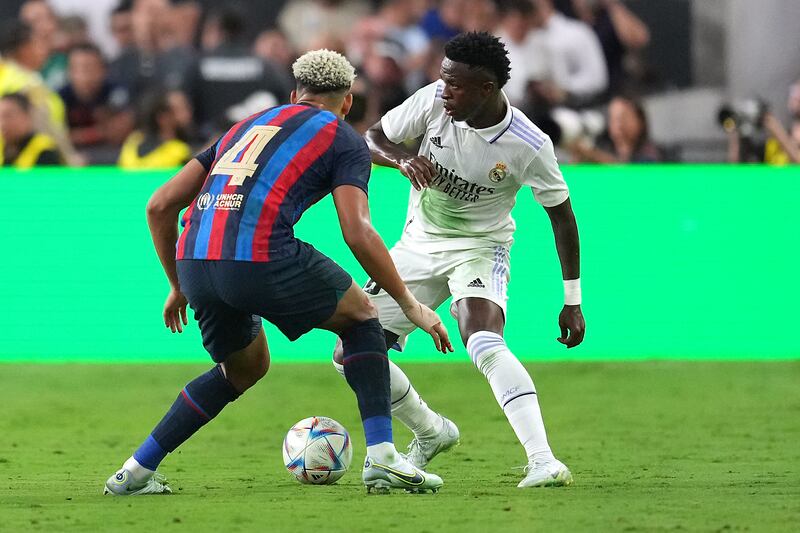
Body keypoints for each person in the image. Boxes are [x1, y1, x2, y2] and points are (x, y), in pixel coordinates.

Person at [103, 49, 452, 496]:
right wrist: (409, 303)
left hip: (195, 261)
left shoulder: (244, 126)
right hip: (259, 254)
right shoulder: (343, 137)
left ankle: (134, 472)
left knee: (244, 369)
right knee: (363, 317)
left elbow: (159, 205)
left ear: (294, 95)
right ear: (347, 102)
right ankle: (383, 456)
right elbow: (358, 231)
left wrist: (177, 284)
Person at [332, 31, 584, 488]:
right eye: (443, 80)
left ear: (486, 89)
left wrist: (572, 300)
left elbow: (562, 217)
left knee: (482, 340)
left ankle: (544, 460)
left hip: (480, 248)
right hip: (417, 246)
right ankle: (431, 431)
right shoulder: (432, 101)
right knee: (351, 352)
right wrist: (401, 158)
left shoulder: (529, 143)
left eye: (455, 85)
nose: (443, 91)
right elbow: (370, 137)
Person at [570, 95, 661, 163]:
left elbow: (629, 175)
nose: (618, 125)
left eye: (623, 117)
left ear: (639, 122)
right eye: (613, 118)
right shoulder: (602, 147)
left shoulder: (649, 152)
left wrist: (591, 154)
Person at [117, 89, 192, 168]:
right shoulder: (179, 152)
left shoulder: (133, 139)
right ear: (163, 117)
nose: (188, 114)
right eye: (179, 110)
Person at [0, 92, 61, 167]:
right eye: (1, 117)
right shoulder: (3, 148)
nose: (3, 123)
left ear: (27, 116)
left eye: (8, 116)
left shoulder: (44, 150)